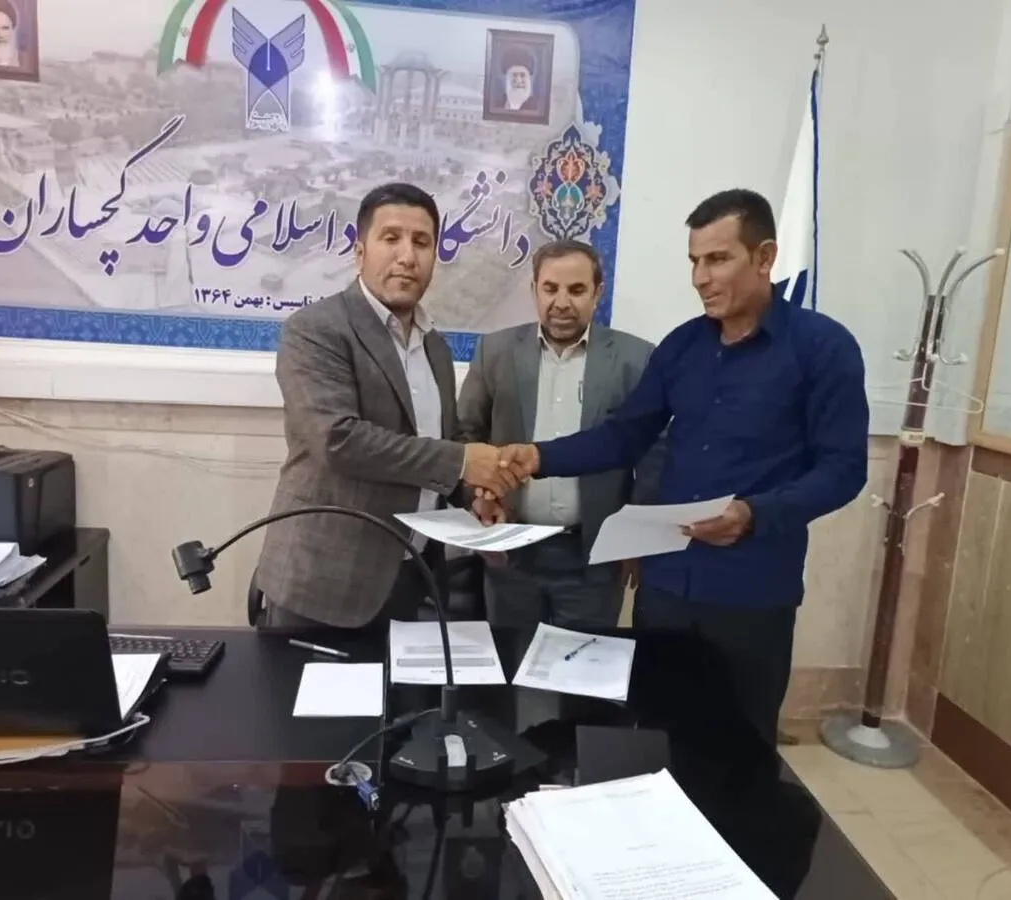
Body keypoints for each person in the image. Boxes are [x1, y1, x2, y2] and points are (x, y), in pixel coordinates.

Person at [488, 189, 869, 743]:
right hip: (666, 589)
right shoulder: (682, 347)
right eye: (694, 261)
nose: (700, 278)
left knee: (739, 748)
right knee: (655, 737)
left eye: (718, 259)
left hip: (752, 591)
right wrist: (540, 457)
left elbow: (844, 469)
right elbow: (625, 436)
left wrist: (755, 514)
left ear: (765, 257)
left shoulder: (823, 348)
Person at [255, 182, 518, 630]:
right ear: (360, 252)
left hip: (413, 576)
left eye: (422, 242)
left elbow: (437, 440)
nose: (407, 256)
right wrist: (462, 461)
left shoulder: (434, 345)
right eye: (391, 238)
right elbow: (338, 440)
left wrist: (474, 497)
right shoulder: (315, 329)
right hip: (325, 582)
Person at [458, 239, 661, 629]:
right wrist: (479, 498)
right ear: (534, 290)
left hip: (593, 559)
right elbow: (466, 433)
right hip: (509, 550)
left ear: (598, 293)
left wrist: (636, 536)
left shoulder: (636, 359)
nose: (562, 303)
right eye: (550, 289)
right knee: (510, 660)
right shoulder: (495, 352)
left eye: (577, 289)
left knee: (581, 664)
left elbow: (653, 453)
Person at [497, 45, 538, 112]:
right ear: (506, 79)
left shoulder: (535, 108)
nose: (518, 80)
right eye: (514, 75)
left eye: (522, 75)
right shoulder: (498, 106)